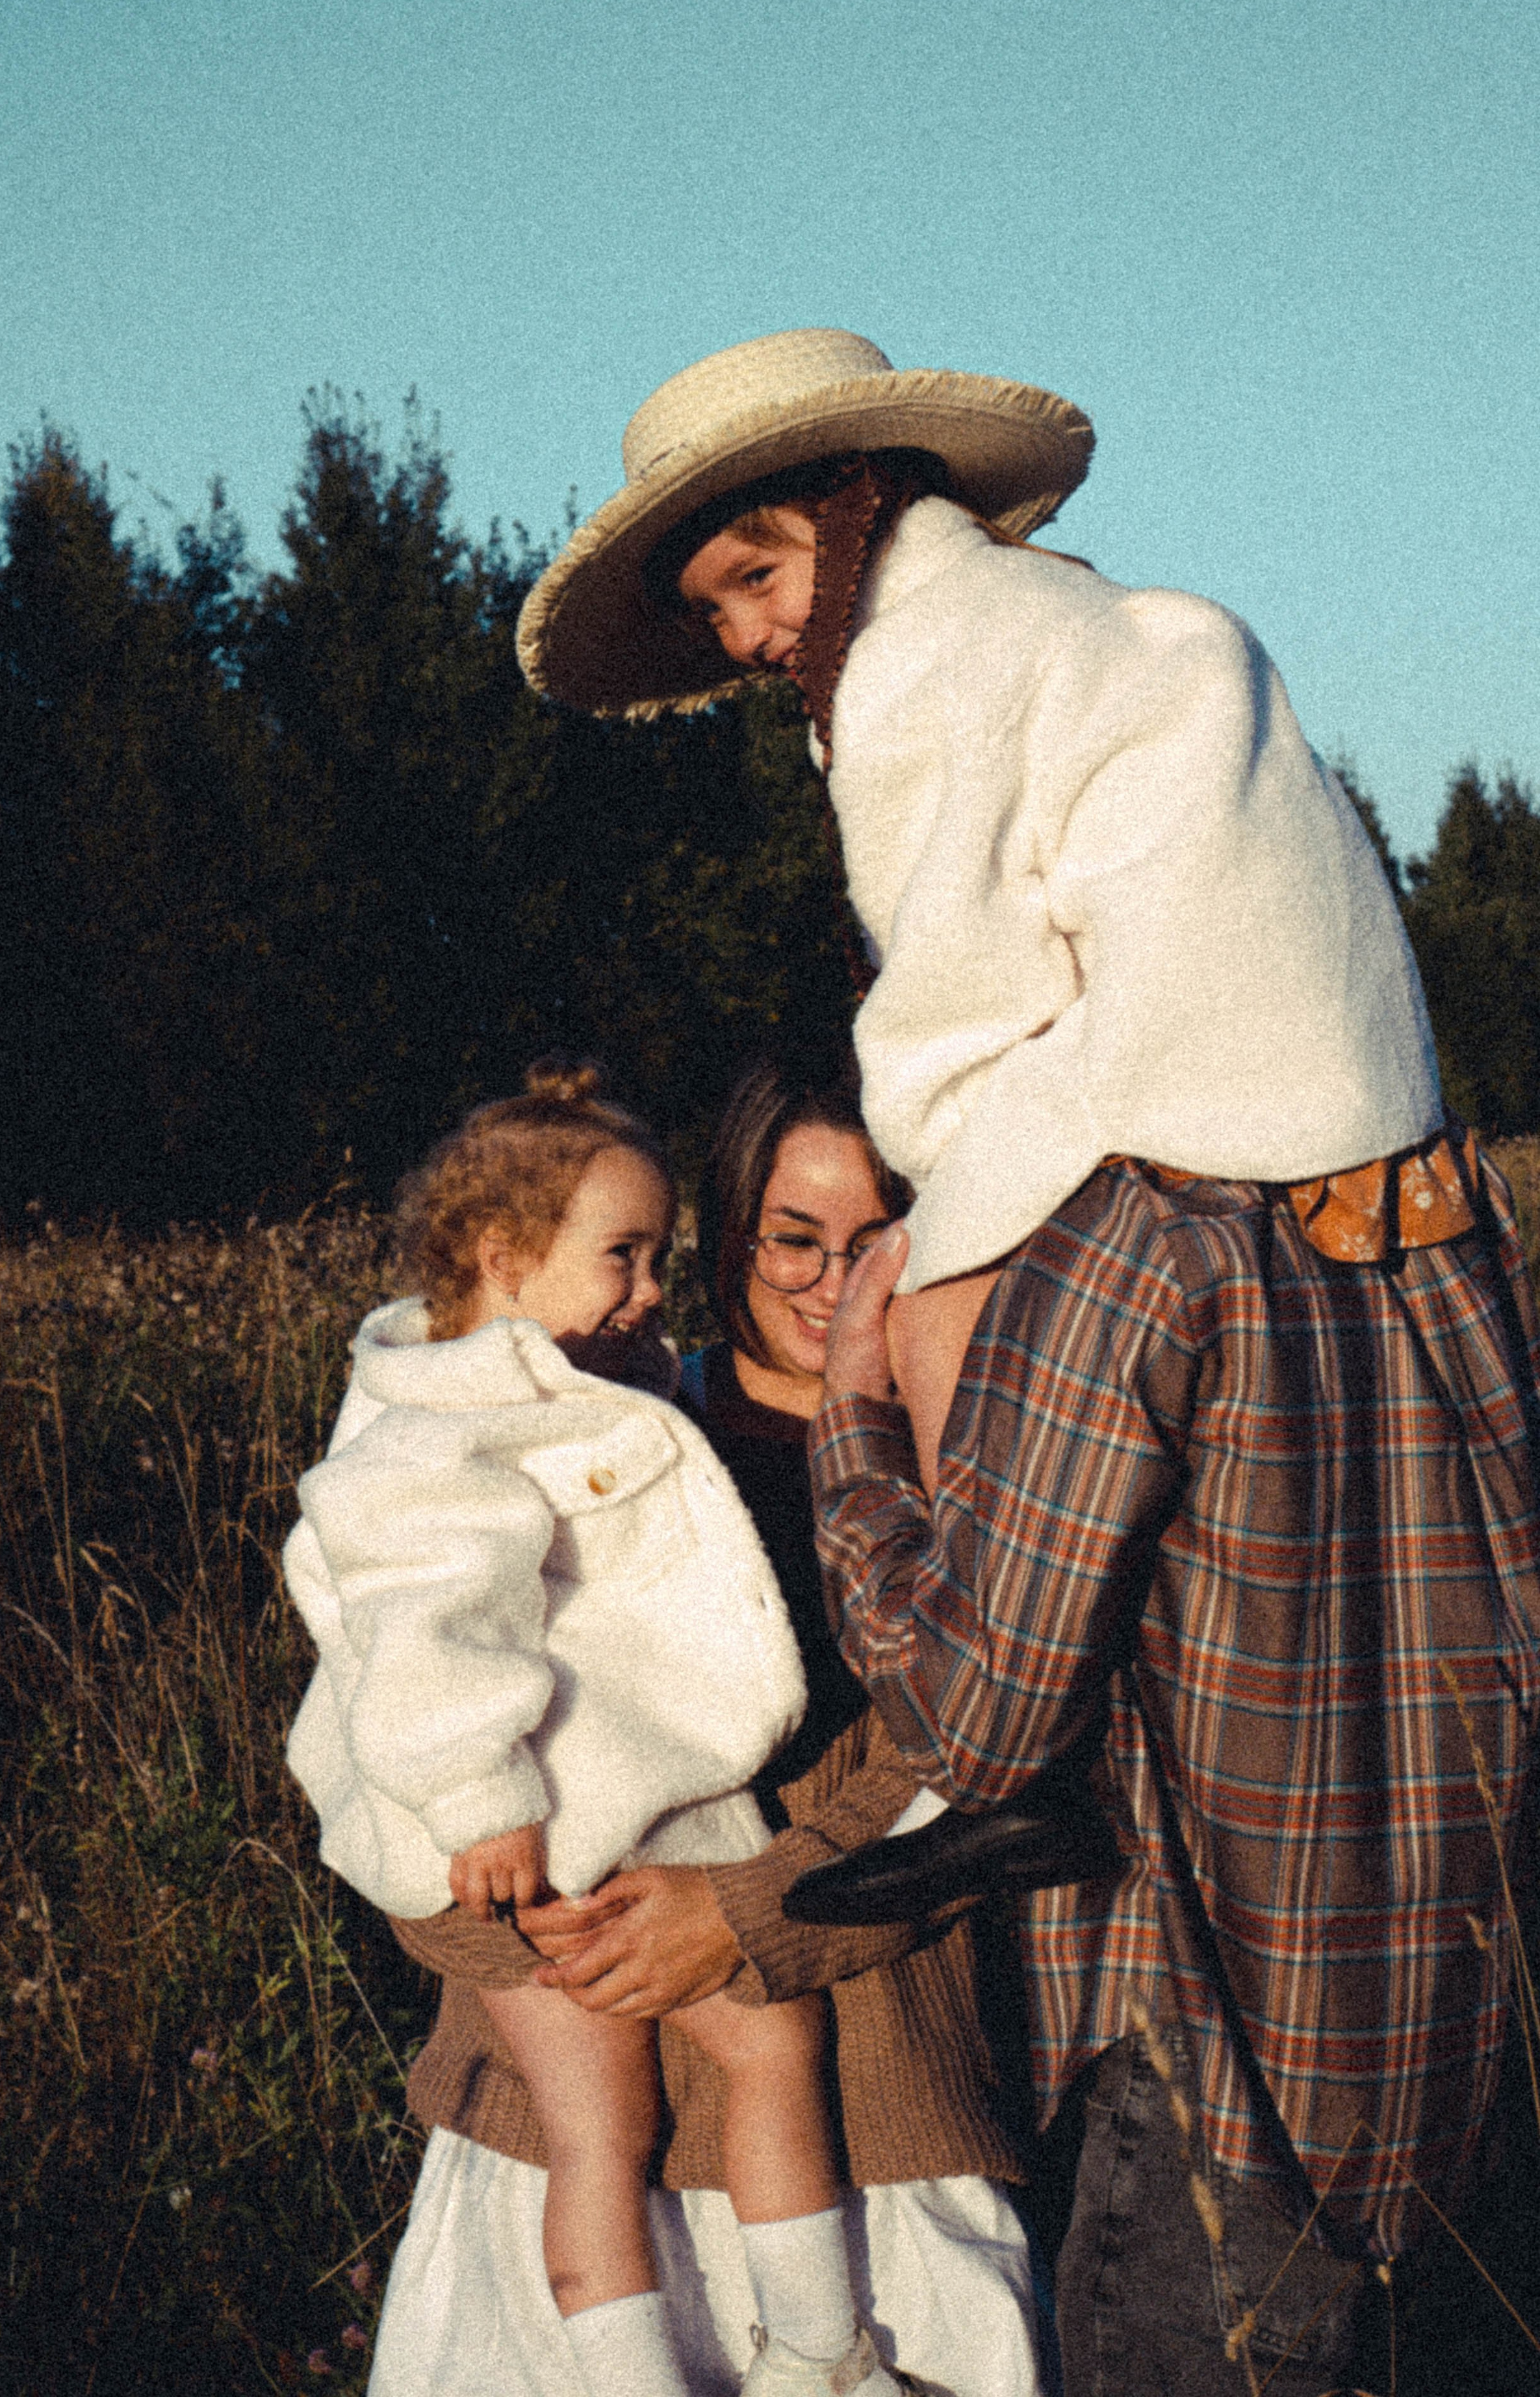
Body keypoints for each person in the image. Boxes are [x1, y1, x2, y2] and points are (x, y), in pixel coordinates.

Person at [513, 328, 1540, 2392]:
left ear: (861, 523)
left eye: (756, 579)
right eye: (714, 610)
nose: (747, 639)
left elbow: (988, 1715)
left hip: (1213, 2091)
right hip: (1440, 2049)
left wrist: (878, 1415)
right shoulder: (1428, 1252)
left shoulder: (1127, 1256)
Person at [346, 1052, 1046, 2397]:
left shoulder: (980, 1458)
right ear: (729, 1232)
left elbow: (978, 1776)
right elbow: (388, 1722)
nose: (832, 1281)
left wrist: (745, 1909)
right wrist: (511, 1917)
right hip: (562, 2143)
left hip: (861, 2128)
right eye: (792, 1237)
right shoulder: (584, 1426)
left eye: (878, 1243)